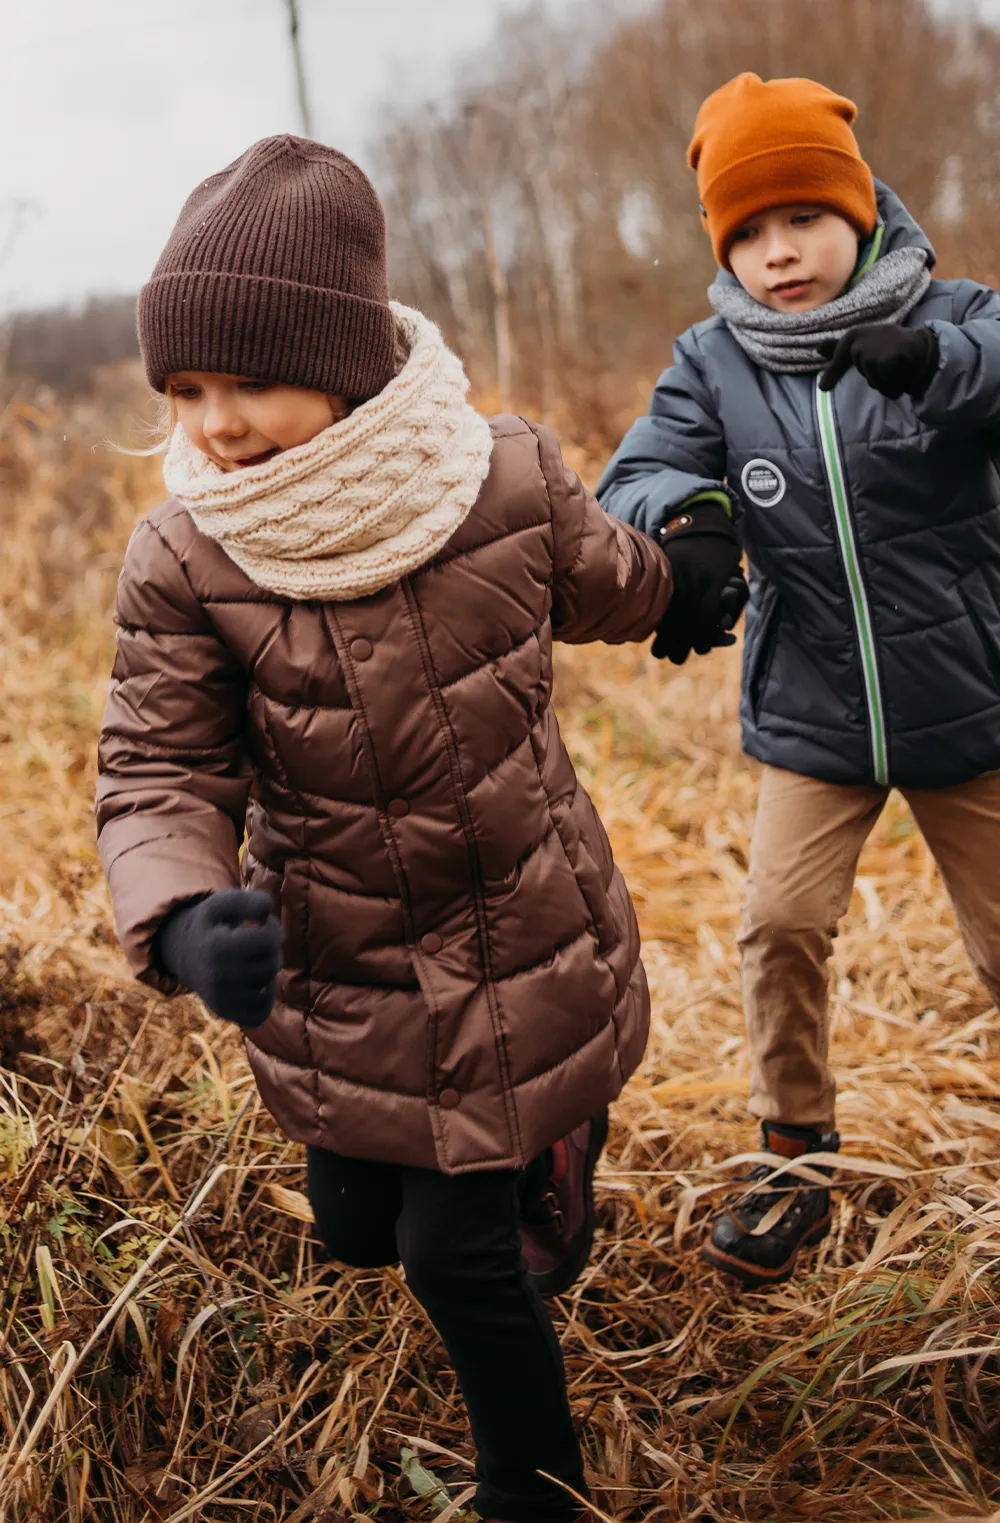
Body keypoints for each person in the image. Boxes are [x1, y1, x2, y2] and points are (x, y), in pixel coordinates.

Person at [95, 136, 744, 1520]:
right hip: (342, 960)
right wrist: (185, 909)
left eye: (251, 381)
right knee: (355, 1224)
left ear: (352, 361)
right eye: (187, 389)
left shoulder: (494, 477)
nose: (213, 421)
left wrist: (679, 587)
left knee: (464, 1258)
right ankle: (511, 1170)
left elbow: (603, 574)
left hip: (521, 926)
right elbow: (157, 764)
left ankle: (536, 1475)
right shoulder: (188, 556)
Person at [598, 73, 1000, 1289]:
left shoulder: (958, 310)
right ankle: (792, 1148)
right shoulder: (713, 363)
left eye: (802, 221)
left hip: (972, 698)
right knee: (777, 926)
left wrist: (935, 362)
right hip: (814, 712)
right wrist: (694, 521)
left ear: (860, 214)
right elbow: (637, 474)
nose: (779, 255)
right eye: (748, 233)